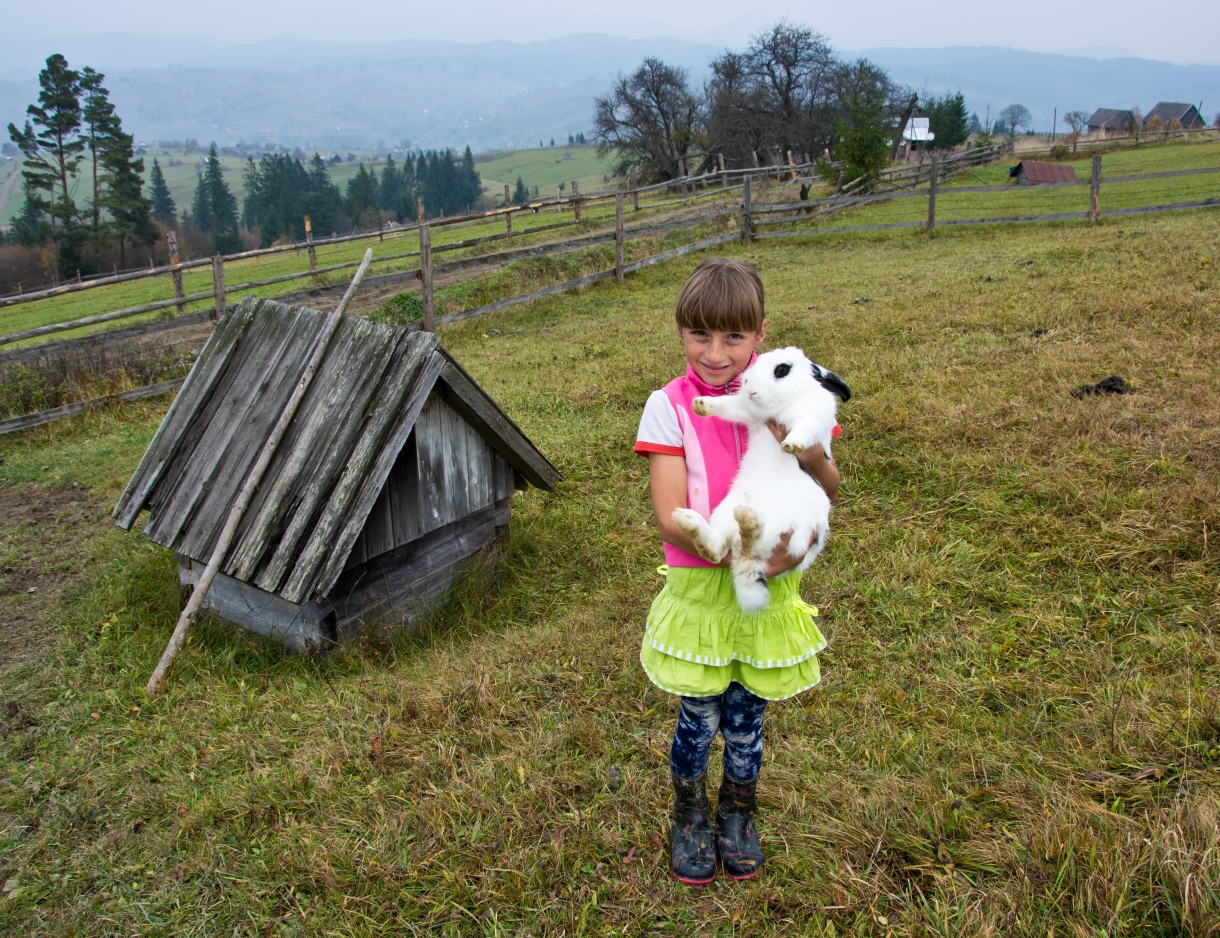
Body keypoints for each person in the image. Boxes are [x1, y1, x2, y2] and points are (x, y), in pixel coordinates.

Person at [634, 257, 841, 884]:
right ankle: (690, 813)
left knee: (748, 715)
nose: (716, 352)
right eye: (700, 335)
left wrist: (789, 546)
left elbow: (828, 481)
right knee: (699, 713)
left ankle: (737, 812)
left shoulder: (789, 393)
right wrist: (742, 556)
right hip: (704, 581)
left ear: (760, 334)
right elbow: (673, 516)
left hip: (770, 579)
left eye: (733, 337)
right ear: (680, 333)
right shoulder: (668, 406)